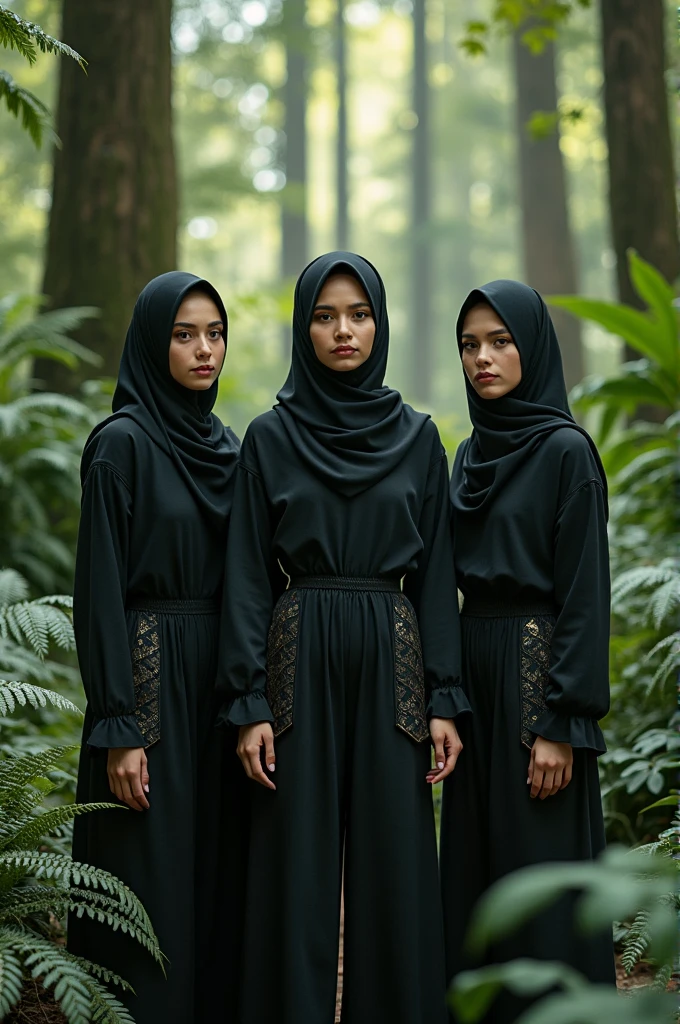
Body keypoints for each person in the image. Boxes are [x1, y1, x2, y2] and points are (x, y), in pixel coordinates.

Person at [216, 251, 470, 1024]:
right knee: (294, 861)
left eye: (358, 314)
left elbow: (435, 580)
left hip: (393, 652)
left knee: (395, 861)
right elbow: (248, 578)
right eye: (325, 316)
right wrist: (248, 700)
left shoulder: (421, 439)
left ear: (380, 323)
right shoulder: (268, 437)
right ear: (305, 328)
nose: (343, 330)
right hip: (298, 656)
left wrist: (444, 699)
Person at [69, 272, 243, 1024]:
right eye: (184, 334)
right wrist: (120, 724)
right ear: (150, 341)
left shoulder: (228, 445)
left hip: (219, 684)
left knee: (215, 874)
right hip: (147, 681)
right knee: (147, 877)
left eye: (214, 333)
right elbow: (98, 593)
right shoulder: (120, 446)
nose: (205, 349)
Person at [440, 280, 615, 1022]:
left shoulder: (567, 452)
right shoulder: (469, 454)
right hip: (475, 681)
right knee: (479, 873)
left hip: (537, 679)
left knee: (541, 871)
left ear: (533, 347)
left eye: (501, 341)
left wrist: (560, 720)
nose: (484, 358)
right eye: (471, 345)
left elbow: (583, 594)